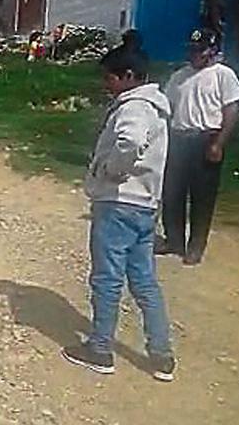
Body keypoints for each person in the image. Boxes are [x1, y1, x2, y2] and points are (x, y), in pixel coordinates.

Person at [62, 47, 176, 382]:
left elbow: (129, 142)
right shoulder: (156, 106)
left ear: (128, 76)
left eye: (110, 77)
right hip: (144, 205)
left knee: (107, 278)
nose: (106, 84)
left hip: (118, 202)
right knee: (144, 280)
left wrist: (111, 171)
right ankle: (161, 354)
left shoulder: (135, 107)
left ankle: (99, 349)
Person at [158, 28, 239, 265]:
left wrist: (219, 143)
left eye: (200, 50)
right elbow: (166, 108)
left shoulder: (222, 75)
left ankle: (196, 246)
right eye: (192, 50)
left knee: (202, 196)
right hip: (179, 138)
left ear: (212, 50)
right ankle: (173, 239)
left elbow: (231, 110)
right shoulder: (179, 77)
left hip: (206, 139)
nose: (194, 54)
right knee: (172, 192)